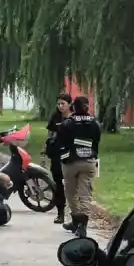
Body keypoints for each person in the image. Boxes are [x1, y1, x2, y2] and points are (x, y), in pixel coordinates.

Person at [56, 96, 101, 237]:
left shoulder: (68, 123)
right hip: (88, 161)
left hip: (71, 162)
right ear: (87, 107)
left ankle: (76, 219)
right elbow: (96, 141)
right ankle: (82, 225)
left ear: (73, 107)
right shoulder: (94, 123)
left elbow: (60, 143)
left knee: (71, 192)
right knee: (85, 194)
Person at [44, 93, 73, 224]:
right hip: (57, 155)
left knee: (72, 185)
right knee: (58, 185)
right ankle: (60, 212)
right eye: (59, 104)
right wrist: (47, 147)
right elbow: (50, 134)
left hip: (72, 155)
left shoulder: (75, 117)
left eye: (63, 104)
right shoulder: (55, 117)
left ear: (70, 104)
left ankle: (75, 215)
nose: (60, 106)